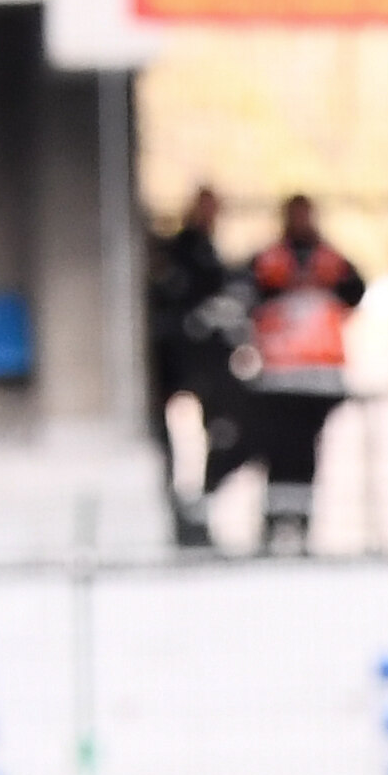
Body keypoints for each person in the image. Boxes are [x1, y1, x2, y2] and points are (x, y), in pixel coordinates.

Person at [237, 197, 363, 557]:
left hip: (319, 379)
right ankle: (275, 522)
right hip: (278, 377)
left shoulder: (332, 261)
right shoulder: (268, 262)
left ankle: (303, 523)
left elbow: (356, 292)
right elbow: (246, 297)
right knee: (277, 454)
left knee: (307, 456)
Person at [146, 183, 248, 553]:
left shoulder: (213, 257)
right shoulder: (180, 256)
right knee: (174, 441)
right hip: (182, 369)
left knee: (230, 433)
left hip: (210, 371)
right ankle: (183, 511)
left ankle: (199, 504)